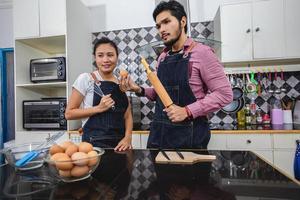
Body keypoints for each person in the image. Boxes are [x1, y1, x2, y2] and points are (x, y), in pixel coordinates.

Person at [120, 1, 232, 149]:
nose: (162, 29)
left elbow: (225, 94)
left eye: (166, 22)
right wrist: (138, 89)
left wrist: (187, 111)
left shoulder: (202, 53)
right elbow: (162, 94)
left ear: (183, 21)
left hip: (189, 137)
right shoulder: (162, 57)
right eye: (159, 26)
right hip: (159, 135)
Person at [65, 37, 133, 151]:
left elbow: (127, 115)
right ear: (95, 58)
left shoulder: (120, 82)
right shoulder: (86, 79)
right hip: (93, 146)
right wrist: (99, 108)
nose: (105, 60)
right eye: (100, 55)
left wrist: (128, 137)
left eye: (110, 55)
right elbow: (69, 113)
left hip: (120, 145)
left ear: (117, 57)